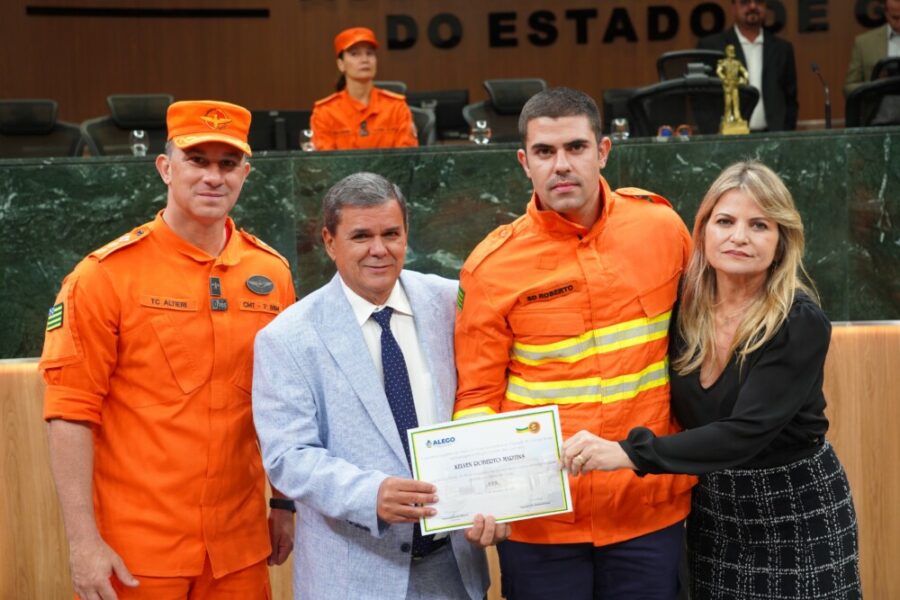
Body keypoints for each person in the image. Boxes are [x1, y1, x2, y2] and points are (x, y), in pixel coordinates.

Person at [561, 161, 862, 600]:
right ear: (702, 231)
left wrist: (626, 453)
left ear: (781, 242)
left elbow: (745, 432)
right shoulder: (683, 308)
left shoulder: (799, 320)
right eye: (725, 221)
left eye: (759, 225)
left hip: (796, 510)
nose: (739, 236)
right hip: (714, 512)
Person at [40, 99, 297, 599]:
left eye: (227, 164)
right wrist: (81, 542)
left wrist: (284, 503)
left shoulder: (272, 274)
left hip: (239, 550)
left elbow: (284, 404)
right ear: (165, 167)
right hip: (137, 552)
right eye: (197, 160)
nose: (213, 177)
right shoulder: (104, 276)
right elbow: (69, 413)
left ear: (246, 172)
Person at [453, 87, 695, 600]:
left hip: (646, 509)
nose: (561, 165)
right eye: (545, 152)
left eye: (576, 148)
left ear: (603, 151)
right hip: (541, 523)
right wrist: (480, 495)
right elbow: (476, 399)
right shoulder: (490, 267)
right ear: (524, 162)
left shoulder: (662, 228)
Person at [251, 172, 494, 600]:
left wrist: (500, 495)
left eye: (391, 234)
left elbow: (485, 400)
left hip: (453, 568)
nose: (379, 249)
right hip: (353, 577)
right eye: (361, 236)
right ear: (329, 241)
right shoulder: (287, 337)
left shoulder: (451, 302)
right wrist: (370, 494)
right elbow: (287, 456)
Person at [310, 27, 418, 150]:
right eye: (355, 54)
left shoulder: (396, 107)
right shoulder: (325, 112)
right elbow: (324, 164)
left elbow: (407, 160)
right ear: (341, 64)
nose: (365, 60)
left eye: (369, 53)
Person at [698, 0, 798, 131]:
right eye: (745, 2)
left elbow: (790, 100)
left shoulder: (782, 49)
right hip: (728, 139)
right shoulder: (712, 47)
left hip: (773, 138)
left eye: (758, 2)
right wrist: (714, 138)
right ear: (733, 7)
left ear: (765, 6)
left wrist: (785, 134)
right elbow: (701, 100)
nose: (752, 6)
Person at [844, 0, 900, 95]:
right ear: (886, 13)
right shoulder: (864, 43)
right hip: (878, 107)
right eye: (895, 18)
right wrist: (874, 86)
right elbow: (849, 87)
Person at [717, 44, 750, 125]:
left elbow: (744, 71)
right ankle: (727, 118)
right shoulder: (724, 62)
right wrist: (724, 79)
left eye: (732, 50)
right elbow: (718, 71)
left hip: (735, 84)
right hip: (728, 85)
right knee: (728, 103)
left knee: (736, 102)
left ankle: (737, 117)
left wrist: (745, 77)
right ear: (727, 52)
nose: (731, 52)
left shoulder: (737, 63)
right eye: (730, 50)